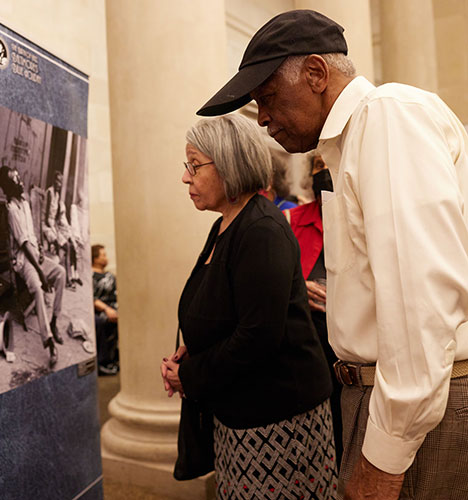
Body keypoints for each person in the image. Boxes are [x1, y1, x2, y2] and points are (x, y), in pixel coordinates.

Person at [196, 9, 468, 500]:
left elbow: (420, 307)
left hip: (418, 411)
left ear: (317, 74)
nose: (262, 118)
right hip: (387, 403)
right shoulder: (357, 137)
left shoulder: (387, 116)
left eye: (269, 98)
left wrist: (382, 462)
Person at [160, 114, 337, 499]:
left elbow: (258, 337)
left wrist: (188, 376)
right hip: (241, 410)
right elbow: (226, 304)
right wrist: (196, 346)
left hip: (278, 421)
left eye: (194, 165)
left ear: (230, 164)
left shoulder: (262, 230)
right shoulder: (226, 223)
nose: (185, 177)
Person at [283, 153, 343, 467]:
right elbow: (274, 279)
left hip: (351, 346)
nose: (325, 172)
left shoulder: (358, 219)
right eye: (318, 166)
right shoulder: (292, 220)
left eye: (330, 164)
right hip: (308, 340)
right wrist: (296, 288)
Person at [0, 165, 65, 367]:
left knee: (60, 273)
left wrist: (41, 249)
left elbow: (32, 236)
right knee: (37, 287)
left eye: (19, 177)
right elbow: (24, 245)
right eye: (15, 179)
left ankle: (54, 320)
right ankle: (49, 340)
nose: (20, 181)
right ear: (9, 186)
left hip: (36, 255)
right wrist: (42, 275)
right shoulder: (11, 209)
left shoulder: (25, 203)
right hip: (25, 261)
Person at [43, 171, 82, 289]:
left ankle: (69, 277)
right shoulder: (49, 193)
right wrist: (54, 232)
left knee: (70, 245)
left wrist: (61, 231)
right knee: (66, 247)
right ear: (54, 181)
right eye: (58, 181)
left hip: (53, 226)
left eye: (61, 182)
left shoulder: (57, 195)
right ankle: (66, 280)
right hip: (46, 226)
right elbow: (46, 218)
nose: (60, 184)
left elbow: (56, 217)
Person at [92, 244, 119, 375]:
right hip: (100, 310)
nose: (106, 258)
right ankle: (103, 362)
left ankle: (117, 358)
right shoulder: (90, 276)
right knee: (101, 322)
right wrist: (107, 309)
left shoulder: (110, 275)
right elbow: (92, 298)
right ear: (95, 258)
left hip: (115, 307)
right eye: (103, 255)